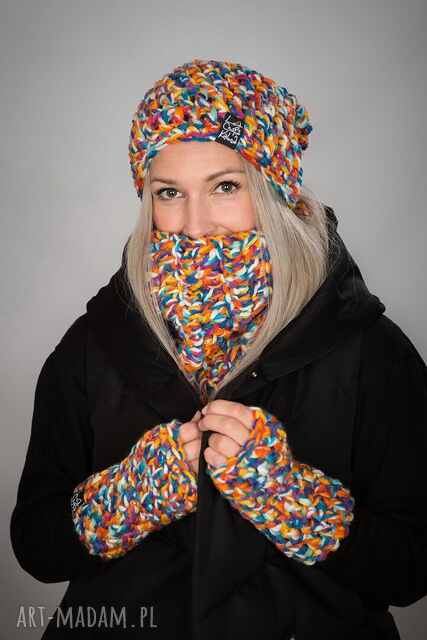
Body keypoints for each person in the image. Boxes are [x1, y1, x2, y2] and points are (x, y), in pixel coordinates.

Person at [9, 58, 427, 640]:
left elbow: (410, 569)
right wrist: (133, 495)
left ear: (275, 191)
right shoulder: (93, 344)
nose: (195, 223)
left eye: (226, 186)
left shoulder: (371, 351)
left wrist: (288, 497)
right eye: (169, 192)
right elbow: (37, 547)